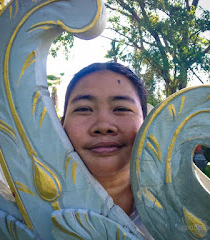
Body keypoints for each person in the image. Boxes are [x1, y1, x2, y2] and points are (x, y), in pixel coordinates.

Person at [62, 62, 153, 239]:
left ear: (147, 124)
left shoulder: (184, 217)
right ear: (60, 125)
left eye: (121, 109)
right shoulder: (25, 210)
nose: (103, 126)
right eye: (83, 109)